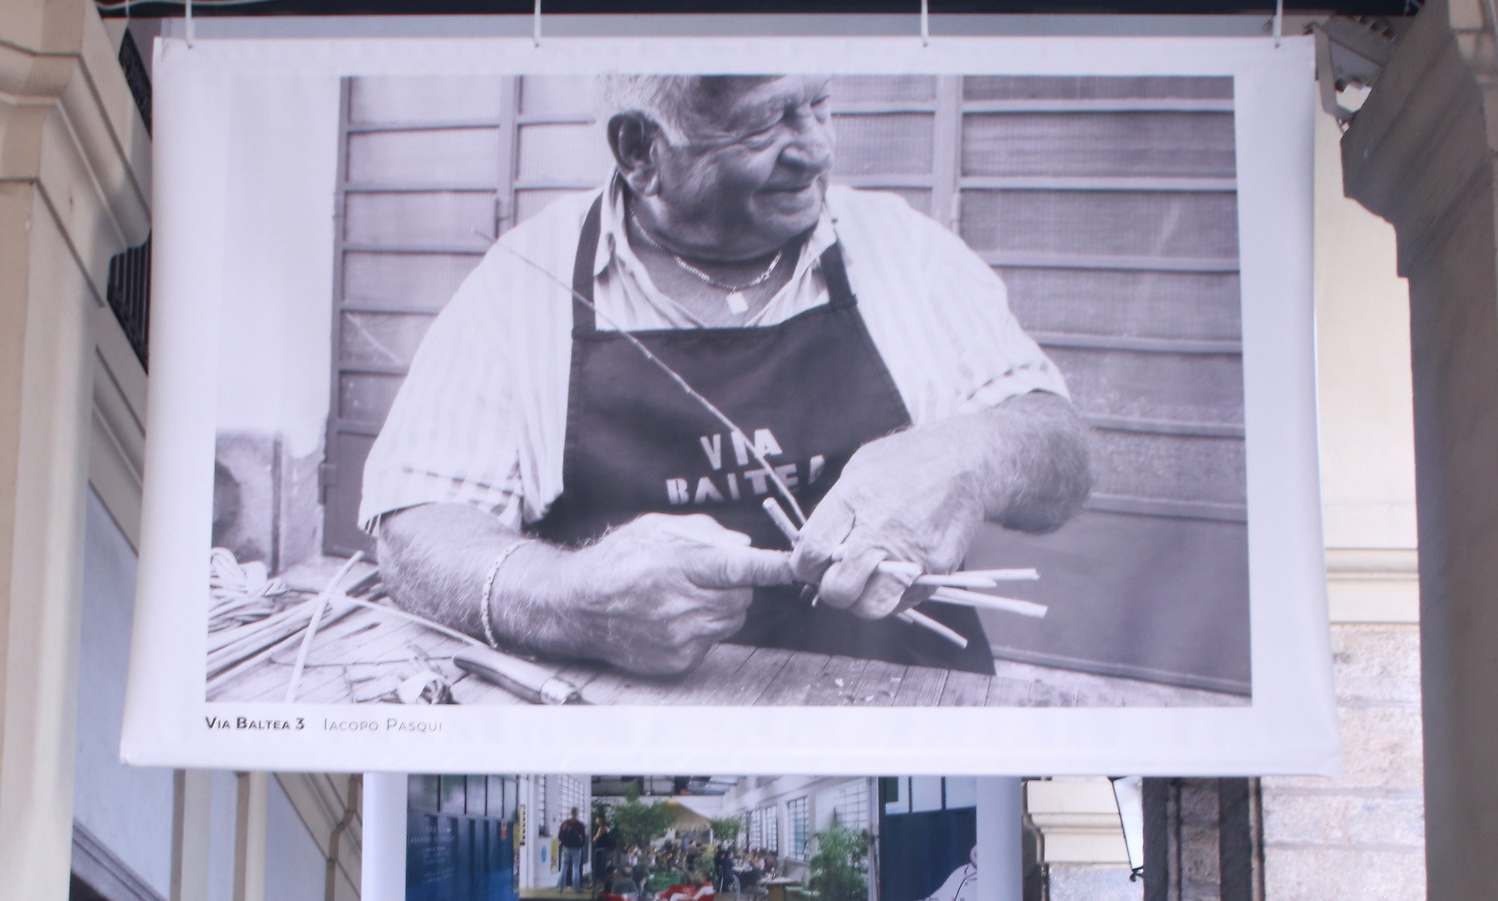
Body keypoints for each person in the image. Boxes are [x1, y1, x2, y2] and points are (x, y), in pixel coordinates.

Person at [360, 74, 1092, 684]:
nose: (816, 149)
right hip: (638, 736)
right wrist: (570, 599)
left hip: (905, 714)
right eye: (764, 123)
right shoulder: (529, 283)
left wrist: (970, 456)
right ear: (640, 149)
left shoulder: (904, 252)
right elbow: (413, 529)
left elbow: (1060, 452)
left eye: (818, 105)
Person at [557, 809, 589, 889]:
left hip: (566, 848)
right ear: (577, 814)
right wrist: (580, 845)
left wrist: (564, 844)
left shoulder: (565, 823)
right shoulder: (580, 825)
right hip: (576, 849)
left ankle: (560, 887)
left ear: (570, 813)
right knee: (576, 868)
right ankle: (576, 888)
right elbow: (584, 837)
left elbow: (560, 836)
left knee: (563, 867)